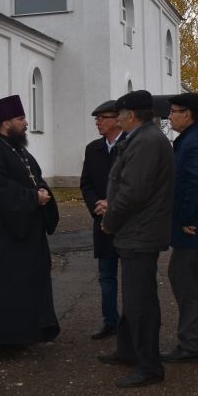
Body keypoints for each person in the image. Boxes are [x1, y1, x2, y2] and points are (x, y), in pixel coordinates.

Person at [96, 90, 174, 388]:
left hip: (140, 233)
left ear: (131, 115)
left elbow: (135, 191)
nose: (116, 119)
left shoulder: (146, 141)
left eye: (119, 114)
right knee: (133, 298)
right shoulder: (144, 139)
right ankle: (128, 351)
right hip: (137, 231)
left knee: (141, 302)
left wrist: (110, 219)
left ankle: (149, 367)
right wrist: (112, 204)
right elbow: (129, 188)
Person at [0, 94, 60, 347]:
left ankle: (33, 330)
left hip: (29, 229)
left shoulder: (20, 150)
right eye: (21, 118)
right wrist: (34, 198)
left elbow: (36, 177)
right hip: (4, 233)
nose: (26, 123)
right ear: (5, 122)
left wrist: (43, 193)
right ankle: (2, 338)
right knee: (6, 284)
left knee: (31, 281)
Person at [162, 92, 198, 363]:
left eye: (174, 111)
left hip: (192, 227)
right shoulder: (193, 139)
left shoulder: (194, 142)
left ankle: (191, 344)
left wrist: (186, 217)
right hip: (195, 225)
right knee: (183, 276)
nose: (170, 116)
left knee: (185, 281)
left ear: (188, 115)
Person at [79, 100, 125, 340]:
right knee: (106, 276)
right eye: (96, 119)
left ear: (118, 119)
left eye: (102, 118)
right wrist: (96, 206)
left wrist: (113, 205)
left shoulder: (131, 145)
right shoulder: (93, 148)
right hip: (102, 222)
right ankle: (110, 321)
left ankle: (130, 322)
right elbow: (86, 183)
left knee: (130, 277)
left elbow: (136, 184)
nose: (98, 122)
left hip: (127, 222)